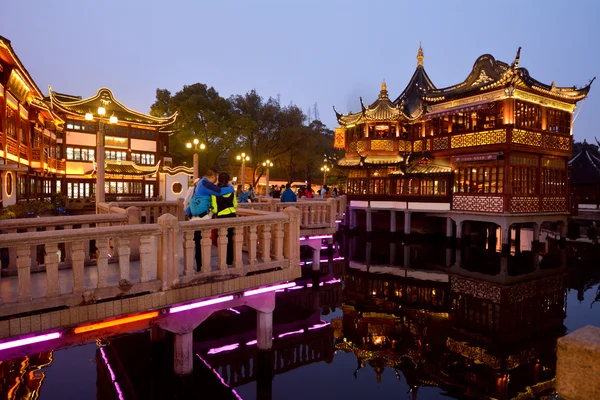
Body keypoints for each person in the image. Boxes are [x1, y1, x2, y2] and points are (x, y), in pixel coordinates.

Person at [188, 168, 234, 271]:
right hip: (202, 217)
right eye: (216, 178)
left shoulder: (200, 183)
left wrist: (188, 212)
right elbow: (219, 192)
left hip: (195, 216)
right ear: (213, 176)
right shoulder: (205, 183)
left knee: (199, 242)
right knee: (201, 242)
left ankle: (201, 265)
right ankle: (202, 266)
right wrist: (232, 189)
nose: (216, 181)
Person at [211, 172, 237, 266]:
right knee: (230, 239)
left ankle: (223, 261)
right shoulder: (231, 191)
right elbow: (235, 204)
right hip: (232, 216)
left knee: (222, 239)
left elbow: (214, 208)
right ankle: (230, 260)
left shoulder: (215, 192)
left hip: (222, 217)